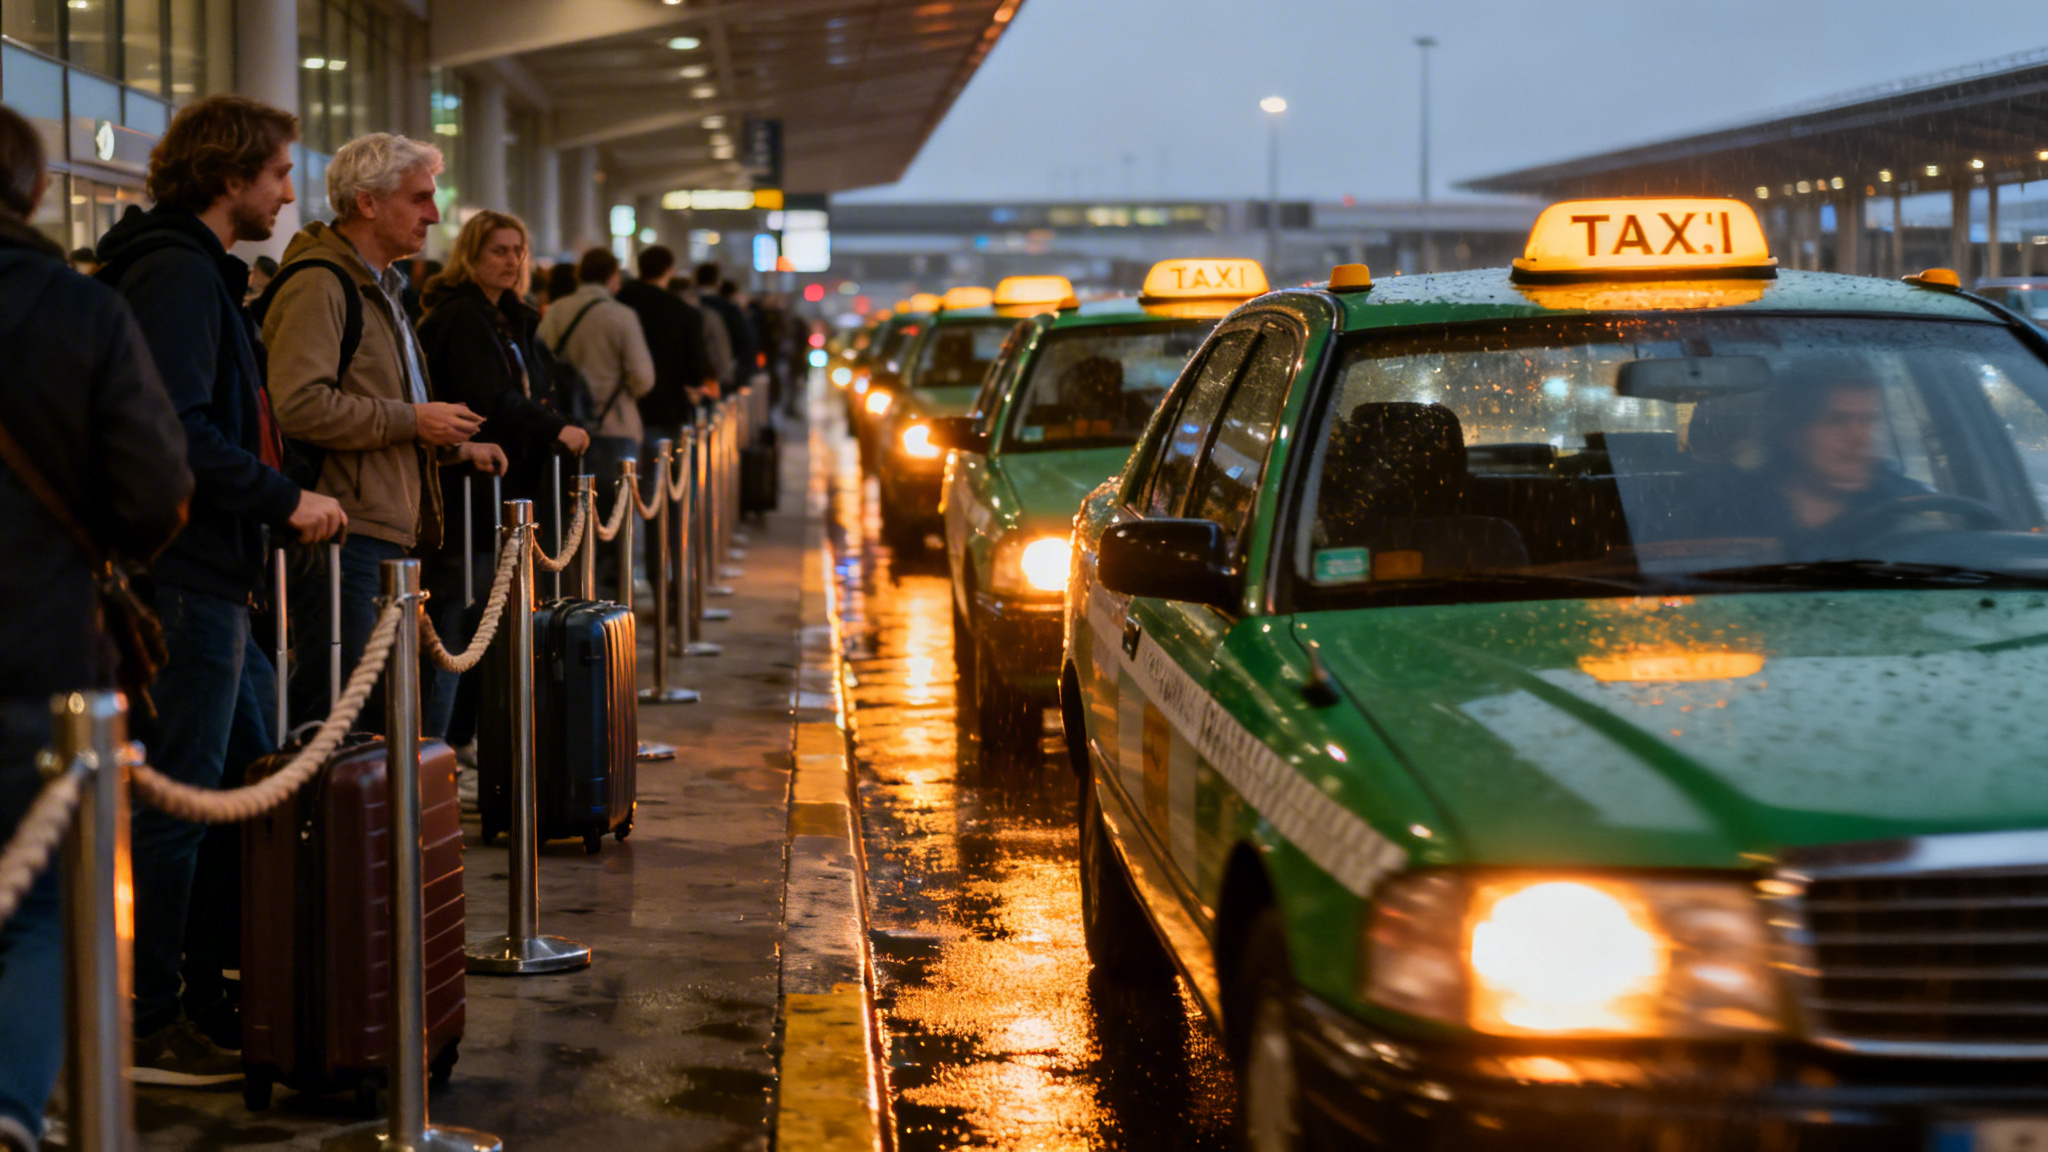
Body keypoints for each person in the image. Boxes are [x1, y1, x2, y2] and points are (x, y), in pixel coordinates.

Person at [94, 94, 348, 1081]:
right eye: (279, 173)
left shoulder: (196, 273)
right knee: (190, 800)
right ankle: (153, 1017)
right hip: (191, 575)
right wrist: (285, 498)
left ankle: (211, 986)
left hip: (213, 577)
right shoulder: (175, 277)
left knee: (246, 790)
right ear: (227, 174)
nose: (289, 194)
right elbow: (179, 430)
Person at [0, 102, 191, 1152]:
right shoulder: (79, 314)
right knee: (44, 909)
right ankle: (15, 1109)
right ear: (32, 191)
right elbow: (156, 490)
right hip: (39, 656)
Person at [262, 133, 504, 723]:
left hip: (378, 525)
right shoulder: (323, 283)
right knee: (340, 711)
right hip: (343, 529)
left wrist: (447, 444)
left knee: (372, 709)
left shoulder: (382, 285)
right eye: (419, 198)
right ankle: (322, 818)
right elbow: (299, 405)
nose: (435, 214)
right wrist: (414, 421)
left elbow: (376, 403)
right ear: (367, 202)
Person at [415, 211, 590, 739]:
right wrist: (555, 428)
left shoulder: (511, 318)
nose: (512, 260)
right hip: (467, 494)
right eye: (498, 250)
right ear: (470, 254)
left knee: (481, 630)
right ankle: (435, 752)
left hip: (505, 492)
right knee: (452, 633)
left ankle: (464, 746)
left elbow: (531, 386)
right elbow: (492, 397)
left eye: (518, 250)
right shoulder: (463, 317)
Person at [537, 246, 654, 591]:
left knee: (571, 519)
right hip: (614, 425)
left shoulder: (557, 311)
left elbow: (539, 363)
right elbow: (643, 378)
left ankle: (575, 591)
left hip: (566, 430)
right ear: (612, 276)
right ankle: (617, 591)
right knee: (616, 517)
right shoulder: (621, 317)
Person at [615, 245, 714, 433]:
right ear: (669, 271)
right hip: (666, 406)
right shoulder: (682, 312)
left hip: (622, 406)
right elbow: (695, 368)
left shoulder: (619, 301)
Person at [679, 262, 734, 395]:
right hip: (708, 376)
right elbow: (720, 345)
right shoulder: (722, 308)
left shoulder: (686, 307)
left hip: (688, 377)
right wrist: (726, 375)